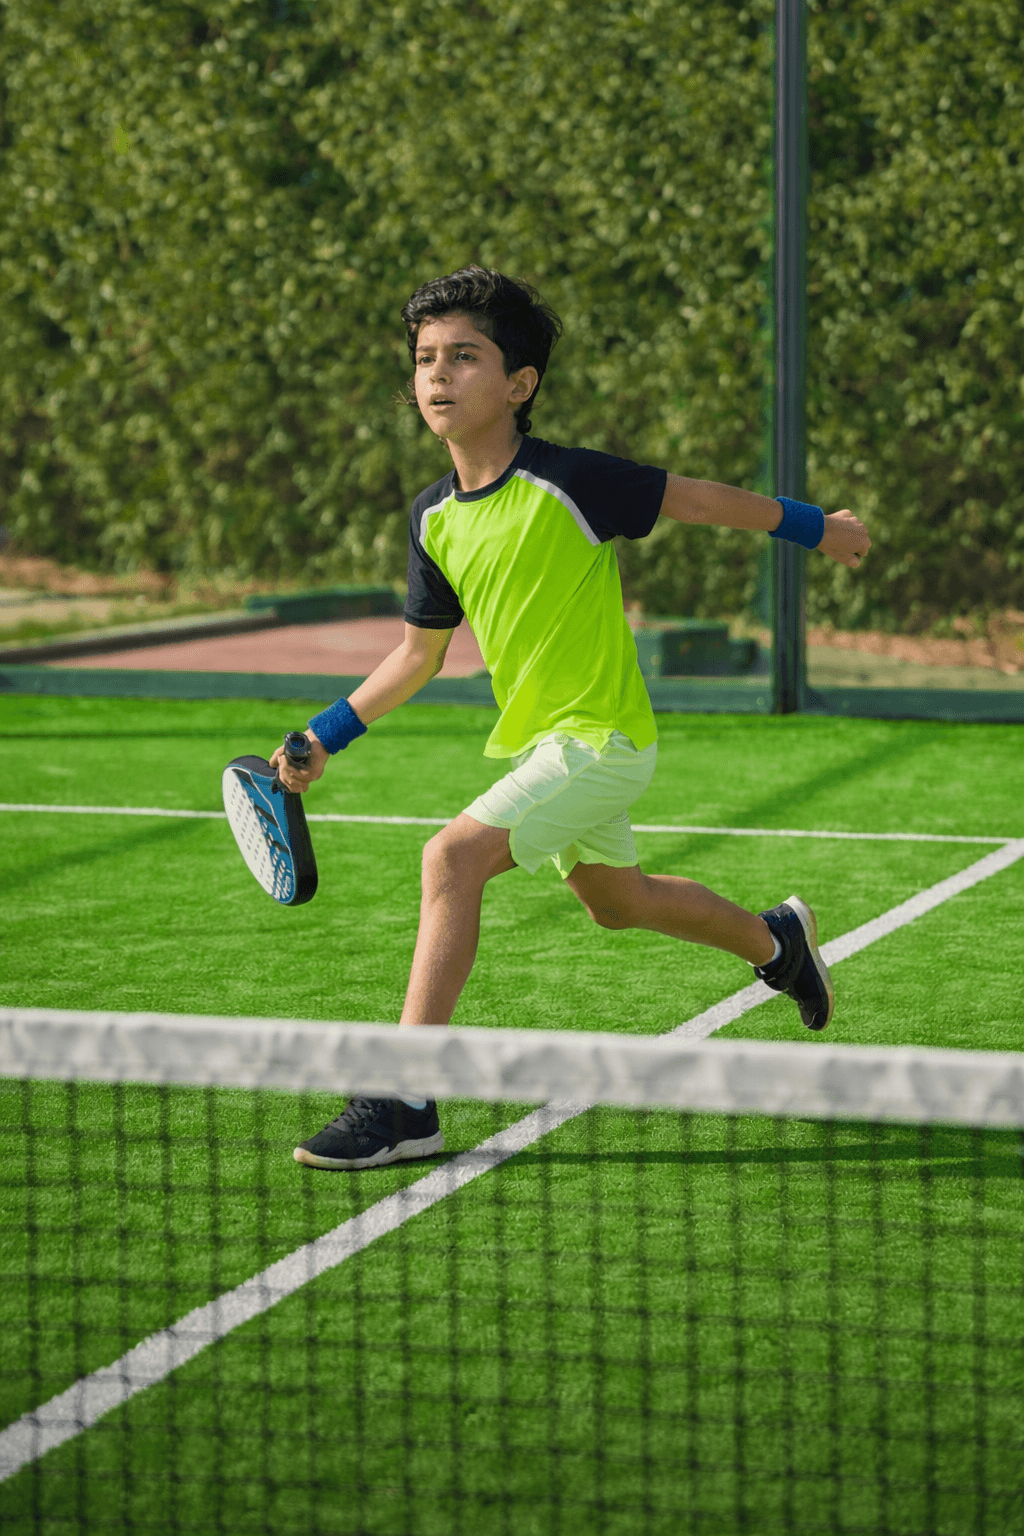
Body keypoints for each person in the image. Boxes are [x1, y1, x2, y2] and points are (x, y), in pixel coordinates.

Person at [273, 267, 870, 1171]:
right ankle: (776, 940)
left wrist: (817, 527)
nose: (437, 376)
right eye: (425, 358)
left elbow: (697, 499)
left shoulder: (570, 480)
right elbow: (416, 655)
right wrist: (325, 733)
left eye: (464, 357)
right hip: (545, 742)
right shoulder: (432, 518)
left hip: (602, 738)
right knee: (616, 903)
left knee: (450, 858)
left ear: (520, 385)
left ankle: (406, 1096)